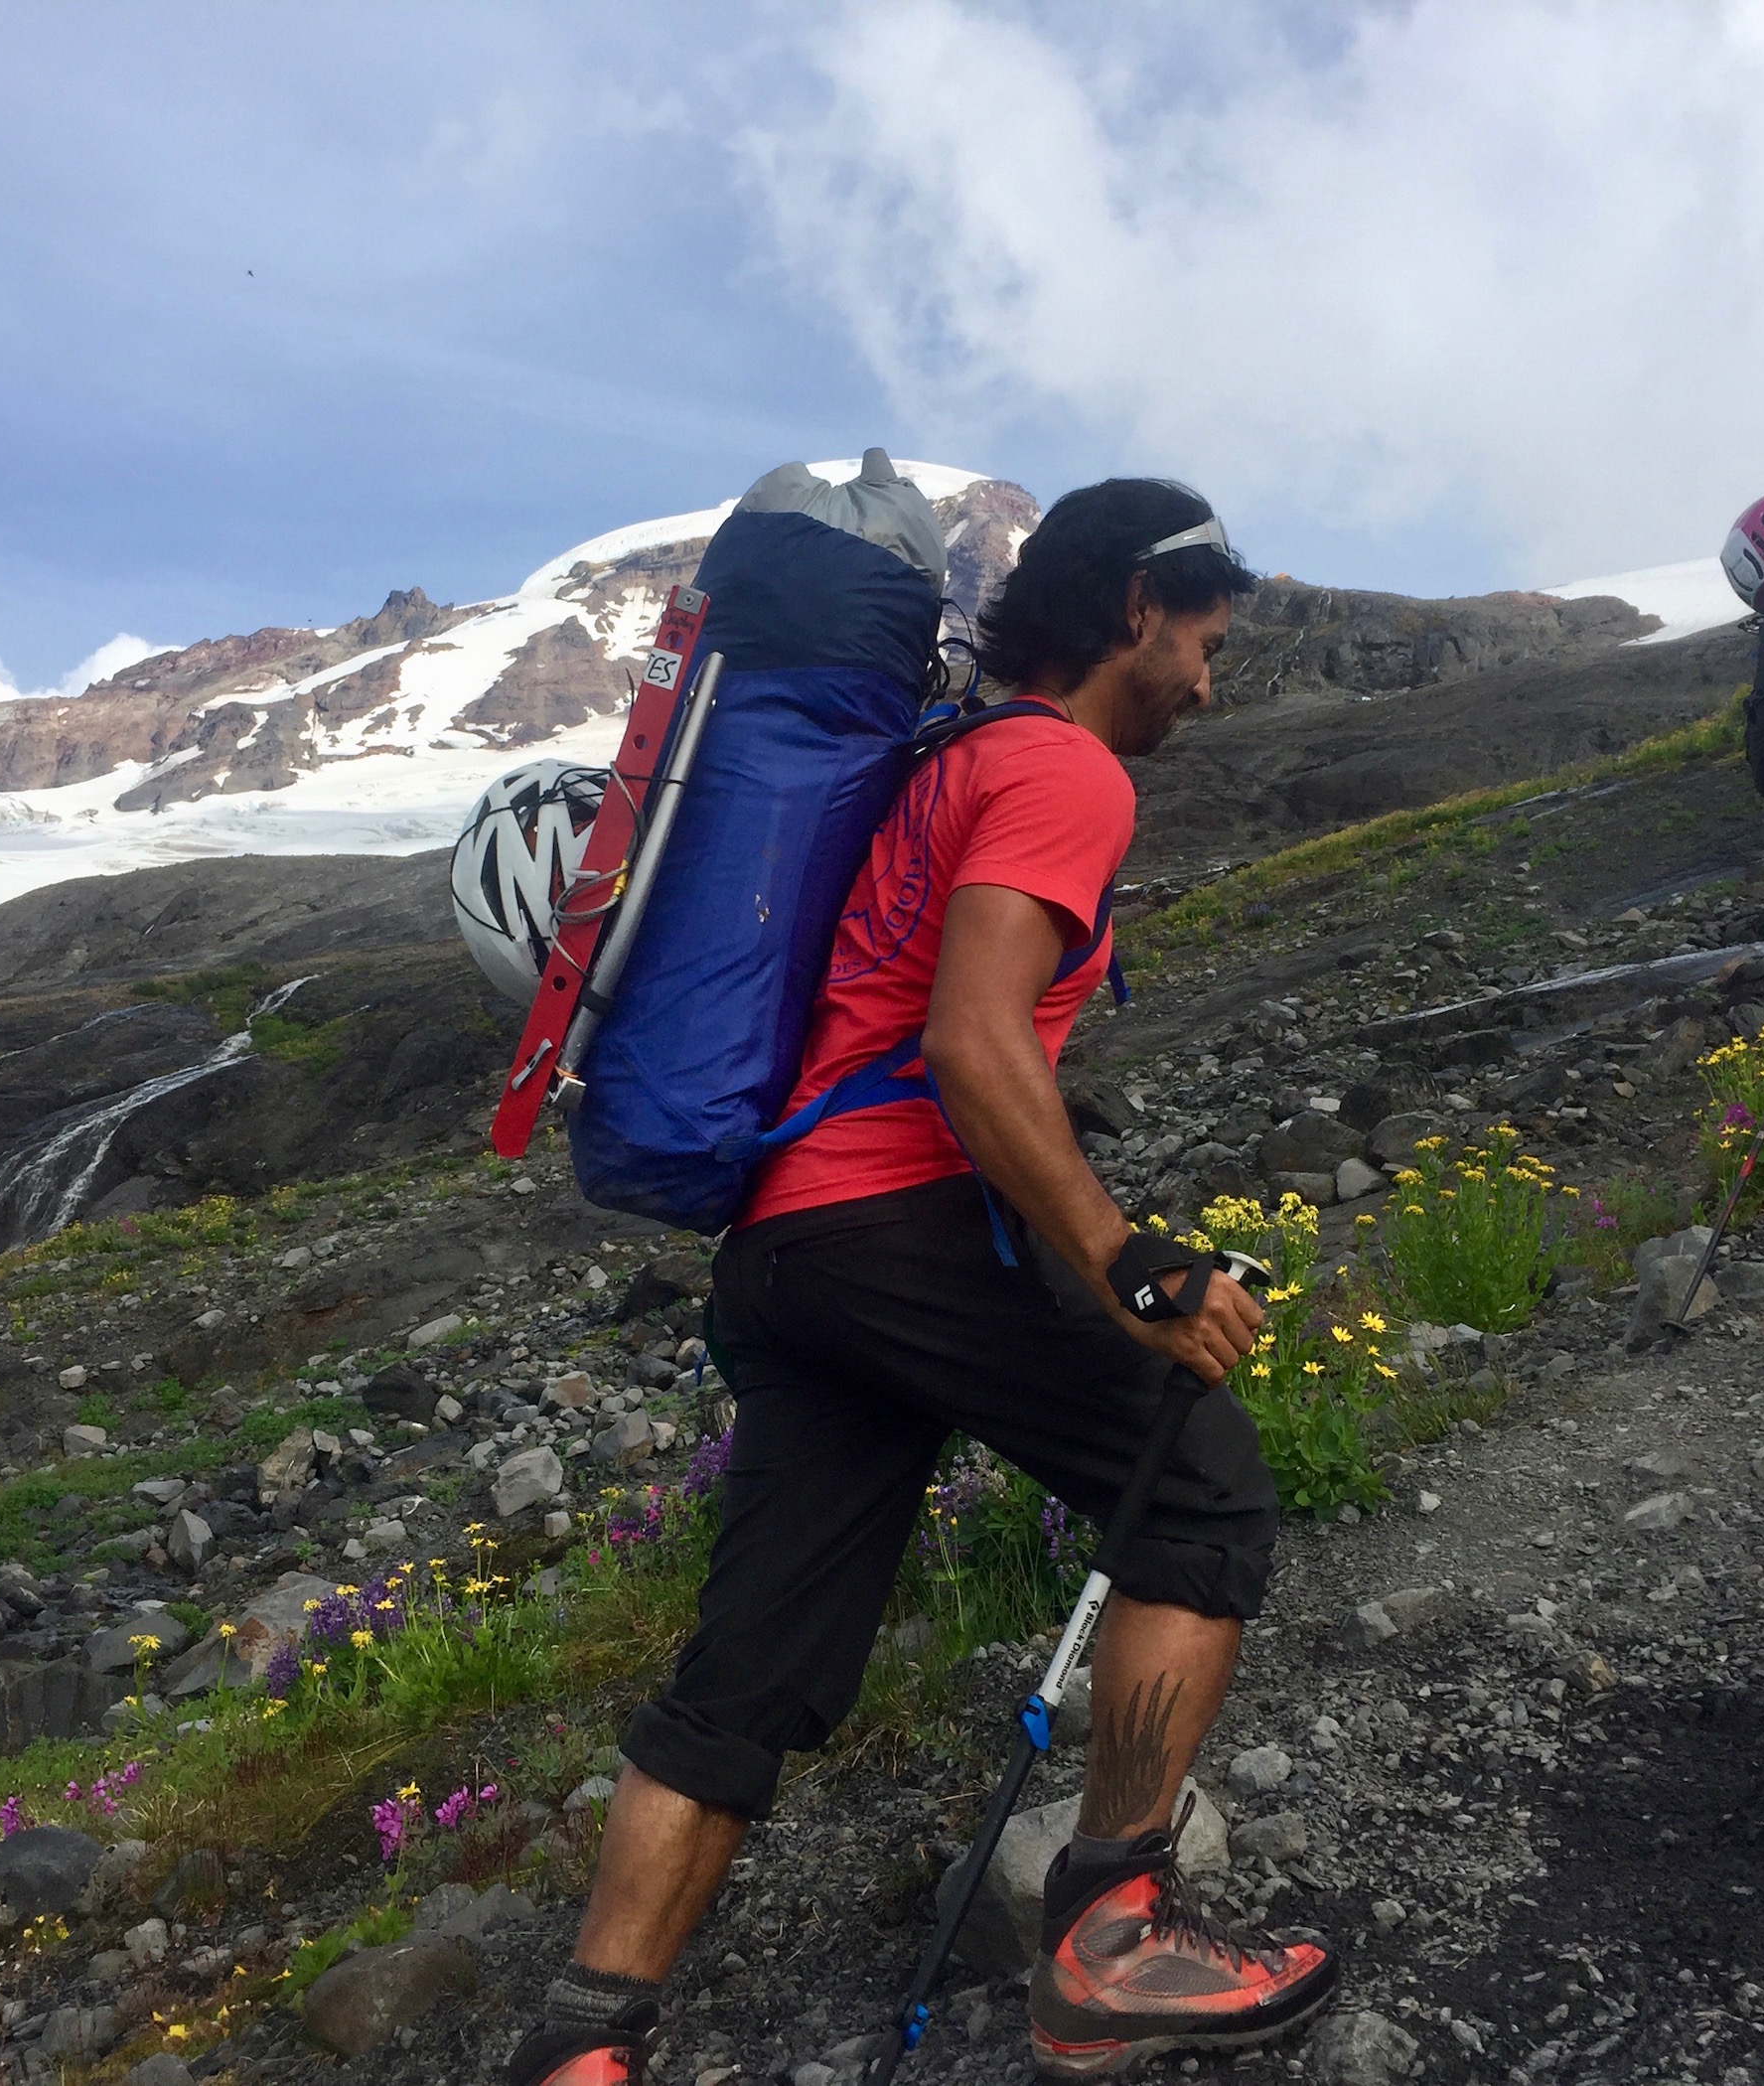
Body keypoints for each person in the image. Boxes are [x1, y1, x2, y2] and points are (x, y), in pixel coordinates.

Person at [507, 481, 1340, 2086]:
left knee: (751, 1667)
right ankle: (1108, 1942)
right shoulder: (1062, 770)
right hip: (894, 1223)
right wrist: (1122, 1258)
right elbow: (968, 1036)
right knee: (1203, 1502)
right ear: (1132, 615)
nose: (1209, 685)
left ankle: (584, 2043)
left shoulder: (938, 756)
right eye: (1204, 643)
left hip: (786, 1250)